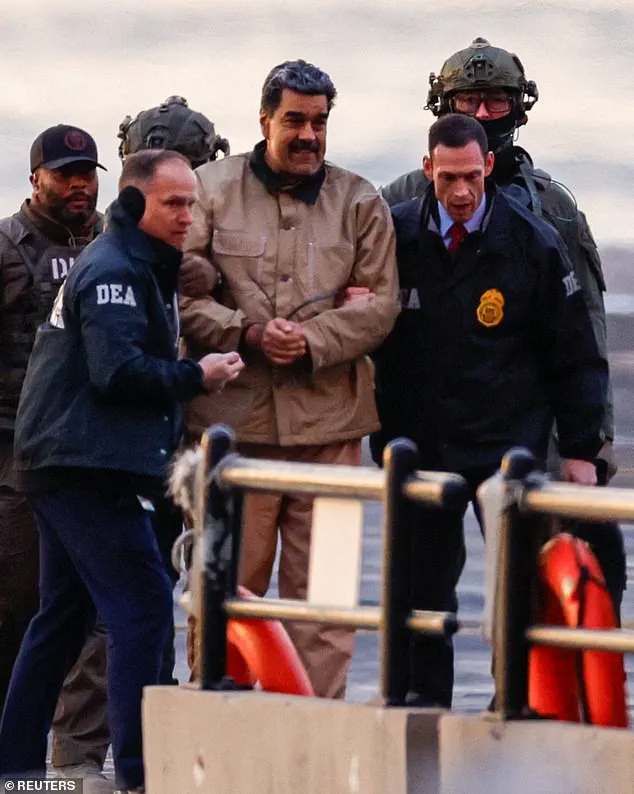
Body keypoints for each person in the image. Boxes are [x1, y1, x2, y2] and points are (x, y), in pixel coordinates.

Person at [0, 149, 244, 791]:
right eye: (174, 203)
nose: (187, 215)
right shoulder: (115, 269)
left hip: (67, 461)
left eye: (192, 203)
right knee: (141, 607)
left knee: (62, 619)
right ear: (133, 204)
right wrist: (198, 374)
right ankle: (141, 773)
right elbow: (118, 372)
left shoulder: (135, 263)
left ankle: (15, 771)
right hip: (85, 467)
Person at [380, 37, 625, 615]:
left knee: (540, 583)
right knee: (418, 593)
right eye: (468, 103)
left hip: (527, 428)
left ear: (519, 107)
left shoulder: (549, 212)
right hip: (429, 429)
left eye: (496, 102)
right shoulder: (397, 207)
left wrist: (592, 445)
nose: (484, 115)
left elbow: (583, 329)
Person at [179, 59, 399, 698]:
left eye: (320, 122)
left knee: (326, 607)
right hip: (233, 438)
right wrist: (245, 332)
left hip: (332, 436)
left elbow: (382, 305)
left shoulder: (360, 201)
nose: (309, 135)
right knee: (225, 597)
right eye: (295, 121)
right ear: (265, 120)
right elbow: (179, 294)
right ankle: (218, 731)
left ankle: (317, 733)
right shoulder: (209, 190)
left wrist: (312, 340)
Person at [371, 113, 608, 708]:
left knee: (517, 588)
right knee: (422, 592)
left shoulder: (533, 242)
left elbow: (575, 352)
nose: (460, 192)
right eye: (448, 177)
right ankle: (425, 709)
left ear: (489, 167)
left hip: (508, 441)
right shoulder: (394, 236)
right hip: (423, 442)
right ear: (427, 169)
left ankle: (516, 705)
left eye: (472, 177)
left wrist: (582, 450)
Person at [0, 124, 116, 785]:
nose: (79, 185)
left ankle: (75, 756)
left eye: (87, 173)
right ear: (35, 178)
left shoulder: (111, 243)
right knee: (19, 604)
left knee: (91, 611)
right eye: (65, 173)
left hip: (89, 455)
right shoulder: (7, 248)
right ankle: (13, 756)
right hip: (15, 453)